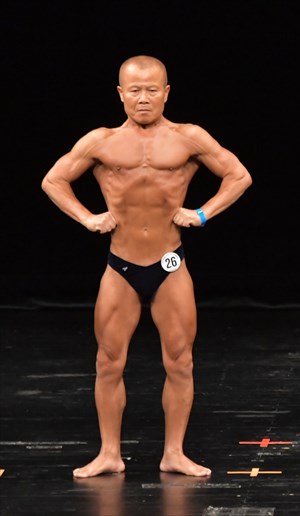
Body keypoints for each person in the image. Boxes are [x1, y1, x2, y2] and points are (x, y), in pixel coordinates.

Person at [41, 55, 253, 478]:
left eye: (152, 90)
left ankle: (174, 453)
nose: (143, 98)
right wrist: (87, 218)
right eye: (134, 90)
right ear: (120, 94)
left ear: (166, 93)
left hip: (169, 263)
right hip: (120, 265)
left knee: (180, 362)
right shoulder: (100, 141)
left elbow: (239, 176)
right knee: (108, 362)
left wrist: (203, 213)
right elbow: (53, 180)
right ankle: (108, 454)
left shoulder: (188, 137)